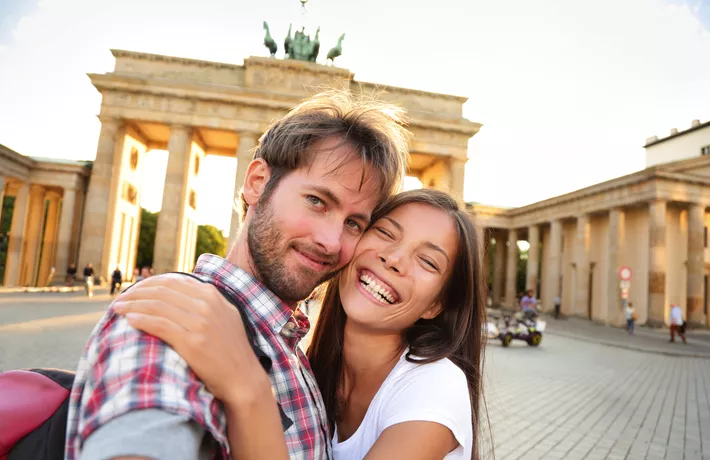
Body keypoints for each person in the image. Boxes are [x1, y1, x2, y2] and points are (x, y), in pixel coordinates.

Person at [65, 90, 410, 460]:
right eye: (317, 201)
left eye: (354, 223)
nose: (331, 241)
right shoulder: (174, 318)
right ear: (258, 182)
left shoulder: (289, 344)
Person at [115, 189, 485, 459]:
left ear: (436, 305)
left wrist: (247, 387)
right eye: (386, 233)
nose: (394, 259)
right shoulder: (311, 366)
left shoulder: (435, 387)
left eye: (428, 262)